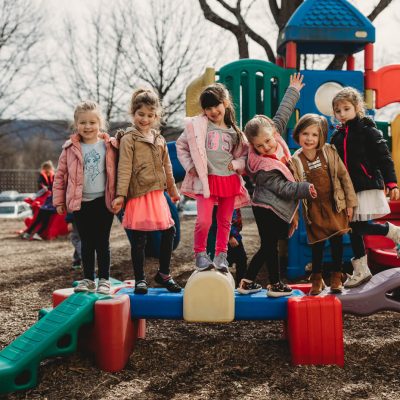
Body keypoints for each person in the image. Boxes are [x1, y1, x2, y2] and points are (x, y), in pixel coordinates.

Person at [237, 73, 317, 297]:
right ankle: (274, 284)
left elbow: (283, 113)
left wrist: (293, 90)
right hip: (265, 208)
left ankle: (247, 282)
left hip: (274, 207)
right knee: (269, 246)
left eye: (268, 140)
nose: (266, 147)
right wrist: (304, 189)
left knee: (268, 246)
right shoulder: (263, 167)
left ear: (274, 132)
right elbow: (283, 188)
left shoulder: (276, 135)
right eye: (260, 146)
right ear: (253, 147)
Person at [112, 88, 182, 295]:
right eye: (141, 114)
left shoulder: (159, 139)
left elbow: (167, 166)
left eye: (150, 115)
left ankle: (164, 274)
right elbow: (124, 168)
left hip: (157, 194)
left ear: (156, 116)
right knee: (139, 238)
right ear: (133, 114)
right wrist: (121, 195)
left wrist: (173, 189)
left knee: (169, 231)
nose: (145, 119)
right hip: (138, 193)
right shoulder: (129, 138)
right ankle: (140, 279)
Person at [176, 82, 250, 273]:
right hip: (206, 181)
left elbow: (243, 156)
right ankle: (200, 254)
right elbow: (181, 146)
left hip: (229, 180)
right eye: (208, 108)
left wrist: (236, 165)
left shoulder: (235, 132)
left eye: (216, 105)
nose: (213, 111)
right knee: (204, 221)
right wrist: (190, 166)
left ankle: (220, 256)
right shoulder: (197, 126)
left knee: (225, 221)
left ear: (225, 103)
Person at [331, 87, 400, 288]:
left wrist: (391, 182)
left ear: (357, 107)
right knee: (353, 230)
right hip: (348, 189)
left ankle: (393, 232)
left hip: (366, 183)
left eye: (346, 109)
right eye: (338, 110)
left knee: (354, 226)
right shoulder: (337, 136)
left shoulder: (367, 130)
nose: (342, 114)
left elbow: (384, 157)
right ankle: (362, 270)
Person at [53, 100, 118, 295]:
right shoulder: (69, 149)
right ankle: (88, 279)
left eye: (92, 122)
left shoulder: (110, 146)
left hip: (104, 202)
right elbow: (59, 176)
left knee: (102, 242)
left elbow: (119, 172)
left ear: (100, 123)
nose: (87, 126)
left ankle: (104, 279)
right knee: (86, 243)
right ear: (76, 124)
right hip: (80, 203)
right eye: (83, 122)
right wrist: (58, 201)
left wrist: (120, 196)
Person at [290, 114, 358, 295]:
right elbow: (294, 190)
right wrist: (294, 215)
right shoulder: (295, 159)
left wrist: (350, 204)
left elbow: (344, 177)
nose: (309, 139)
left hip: (335, 204)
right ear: (298, 134)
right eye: (305, 134)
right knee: (317, 244)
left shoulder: (329, 152)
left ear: (321, 137)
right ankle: (316, 277)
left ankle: (337, 275)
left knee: (337, 240)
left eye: (314, 135)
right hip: (314, 209)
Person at [207, 207, 248, 287]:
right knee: (222, 263)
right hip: (224, 236)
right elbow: (219, 219)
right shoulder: (220, 200)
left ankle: (239, 285)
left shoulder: (235, 200)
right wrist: (230, 236)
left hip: (235, 235)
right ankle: (218, 286)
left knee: (241, 260)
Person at [21, 160, 56, 240]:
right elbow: (41, 184)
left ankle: (27, 233)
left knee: (38, 220)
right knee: (44, 223)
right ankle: (35, 234)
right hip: (47, 205)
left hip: (44, 206)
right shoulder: (42, 176)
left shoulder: (52, 176)